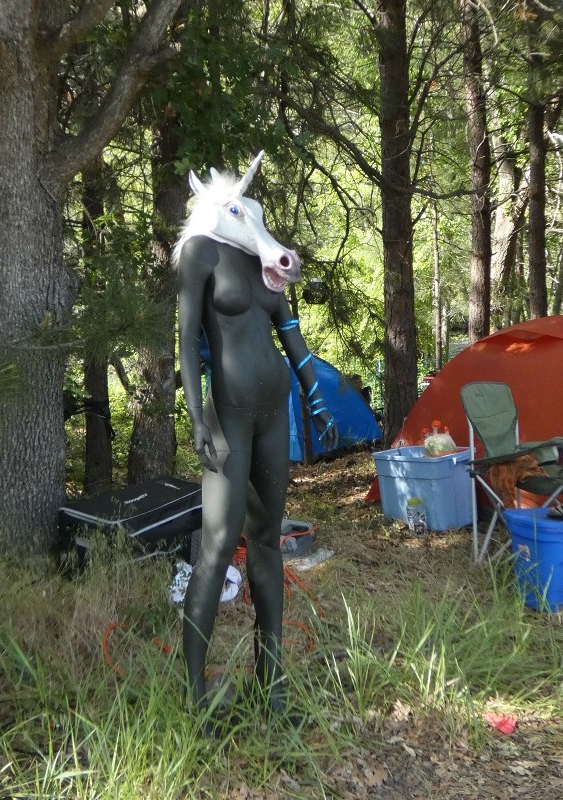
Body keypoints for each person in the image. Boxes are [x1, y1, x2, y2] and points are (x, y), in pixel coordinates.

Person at [175, 153, 338, 721]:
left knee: (267, 542)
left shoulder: (262, 265)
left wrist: (317, 398)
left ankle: (271, 684)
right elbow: (185, 342)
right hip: (229, 417)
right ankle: (194, 696)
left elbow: (293, 342)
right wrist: (196, 418)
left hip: (274, 413)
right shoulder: (201, 253)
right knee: (218, 547)